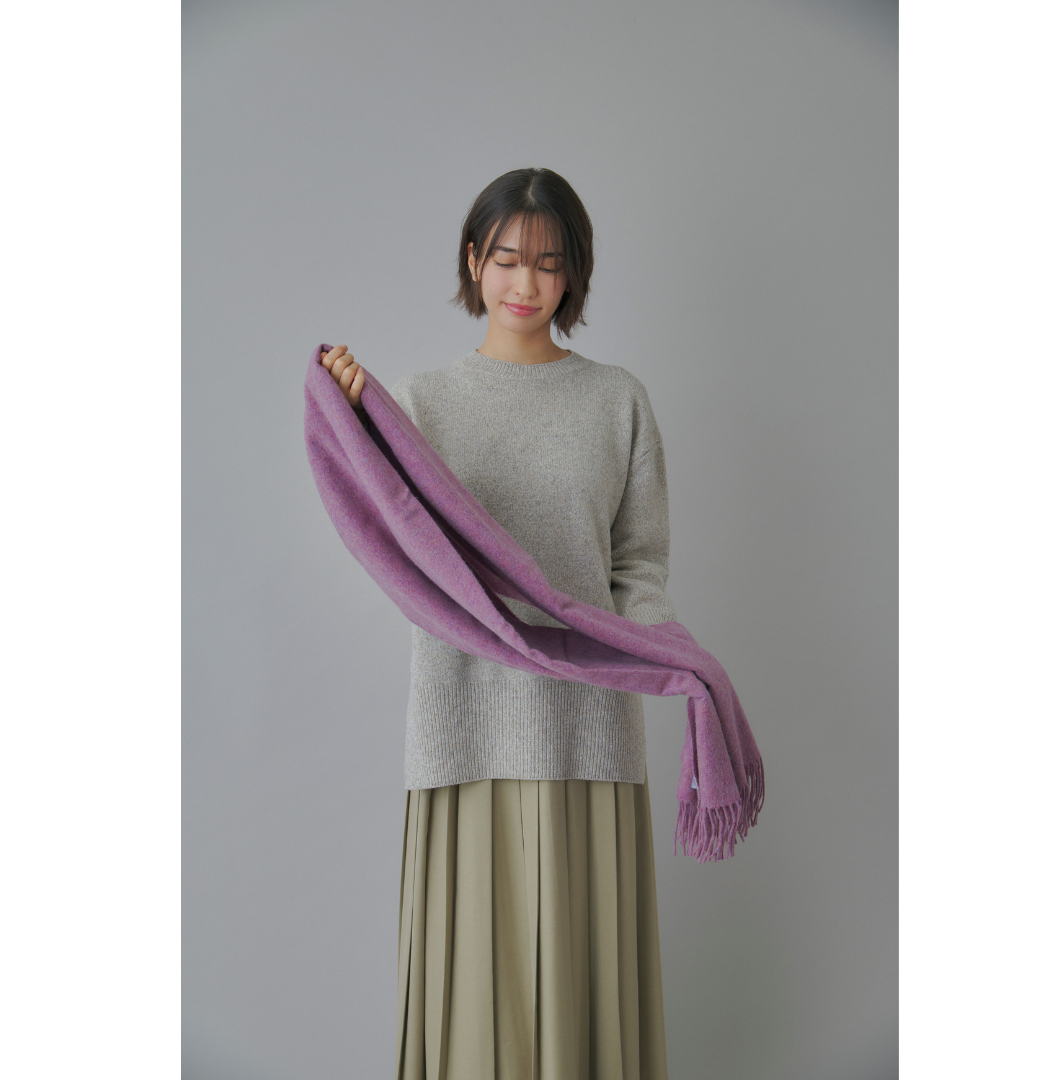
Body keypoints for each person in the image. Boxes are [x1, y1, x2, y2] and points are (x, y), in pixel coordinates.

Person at [320, 167, 677, 1080]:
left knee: (584, 992)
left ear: (575, 275)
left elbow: (639, 564)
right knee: (475, 1001)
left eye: (550, 263)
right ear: (474, 260)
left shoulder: (618, 400)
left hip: (588, 727)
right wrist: (360, 418)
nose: (526, 283)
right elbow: (397, 540)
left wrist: (659, 655)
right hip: (466, 722)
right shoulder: (421, 404)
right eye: (509, 258)